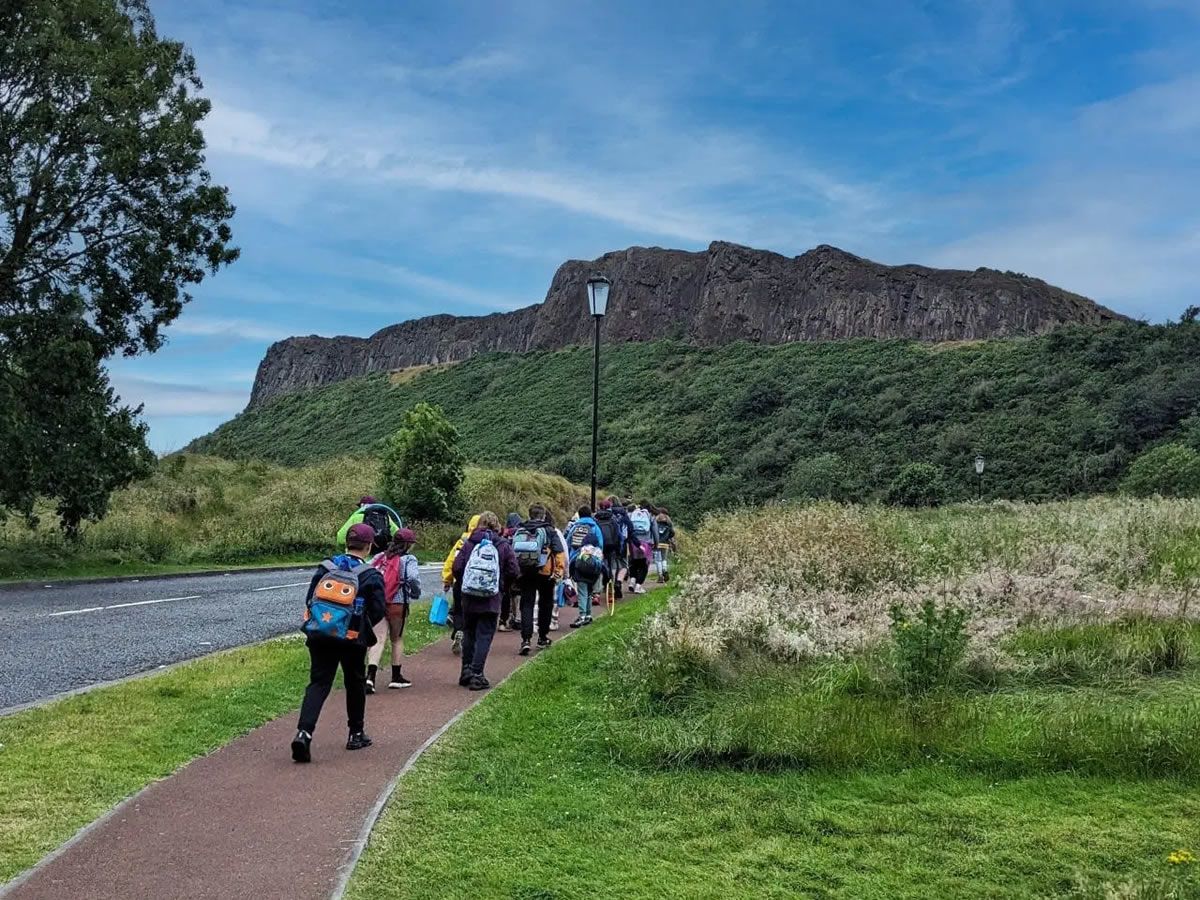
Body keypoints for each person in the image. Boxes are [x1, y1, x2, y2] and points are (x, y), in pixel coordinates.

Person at [292, 522, 387, 763]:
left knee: (318, 683)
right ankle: (356, 733)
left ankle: (304, 733)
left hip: (320, 635)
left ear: (346, 542)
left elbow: (309, 599)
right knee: (355, 683)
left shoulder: (325, 568)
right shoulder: (370, 575)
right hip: (352, 639)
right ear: (368, 547)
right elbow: (377, 610)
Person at [451, 511, 519, 690]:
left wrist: (465, 583)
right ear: (497, 525)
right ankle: (477, 674)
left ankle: (465, 670)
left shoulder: (469, 543)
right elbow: (513, 569)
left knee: (470, 632)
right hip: (491, 598)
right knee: (484, 635)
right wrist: (502, 585)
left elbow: (456, 567)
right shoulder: (502, 545)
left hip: (469, 597)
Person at [366, 527, 421, 692]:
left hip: (378, 602)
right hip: (397, 603)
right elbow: (412, 578)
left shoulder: (380, 556)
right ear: (408, 544)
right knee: (396, 639)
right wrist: (415, 593)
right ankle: (396, 677)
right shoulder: (409, 559)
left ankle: (370, 677)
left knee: (378, 638)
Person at [512, 503, 566, 655]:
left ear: (529, 515)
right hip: (545, 572)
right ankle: (542, 637)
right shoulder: (550, 530)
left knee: (527, 604)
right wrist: (558, 572)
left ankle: (526, 639)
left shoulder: (521, 529)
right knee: (546, 604)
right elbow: (559, 553)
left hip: (526, 571)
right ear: (543, 516)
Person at [442, 514, 481, 656]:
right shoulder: (485, 540)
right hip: (477, 582)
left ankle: (458, 629)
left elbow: (451, 561)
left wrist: (447, 579)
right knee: (474, 611)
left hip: (460, 581)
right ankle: (470, 637)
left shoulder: (462, 541)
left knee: (458, 609)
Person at [565, 504, 605, 627]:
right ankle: (588, 615)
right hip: (593, 562)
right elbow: (601, 544)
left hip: (578, 561)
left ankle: (582, 615)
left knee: (582, 589)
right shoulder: (595, 527)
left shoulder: (575, 526)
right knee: (589, 589)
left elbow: (568, 542)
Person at [337, 496, 402, 556]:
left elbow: (340, 538)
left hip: (358, 560)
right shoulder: (385, 518)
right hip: (380, 560)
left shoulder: (356, 517)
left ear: (362, 506)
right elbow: (399, 535)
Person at [593, 499, 624, 600]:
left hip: (598, 547)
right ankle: (610, 593)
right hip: (611, 546)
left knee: (598, 567)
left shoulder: (595, 519)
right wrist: (619, 549)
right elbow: (619, 535)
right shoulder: (613, 519)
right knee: (610, 568)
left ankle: (596, 594)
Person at [627, 500, 658, 594]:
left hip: (633, 542)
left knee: (633, 562)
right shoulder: (650, 516)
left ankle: (632, 581)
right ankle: (638, 586)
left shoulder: (632, 514)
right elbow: (655, 532)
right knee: (644, 565)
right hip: (646, 542)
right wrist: (656, 543)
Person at [499, 512, 524, 632]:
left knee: (506, 593)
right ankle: (517, 617)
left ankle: (505, 618)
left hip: (506, 569)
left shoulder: (504, 535)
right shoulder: (522, 533)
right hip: (519, 567)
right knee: (518, 593)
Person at [654, 508, 676, 583]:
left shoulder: (655, 522)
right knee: (664, 559)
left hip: (657, 543)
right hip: (665, 543)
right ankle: (665, 570)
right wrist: (668, 537)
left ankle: (660, 576)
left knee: (657, 560)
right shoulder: (669, 523)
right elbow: (673, 533)